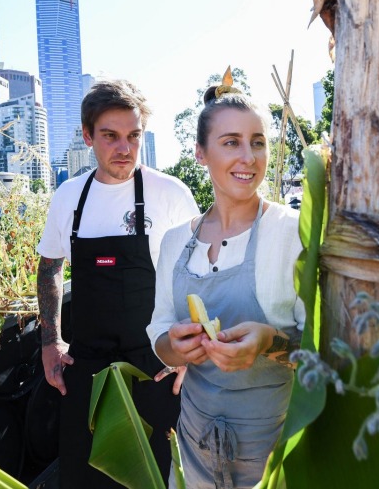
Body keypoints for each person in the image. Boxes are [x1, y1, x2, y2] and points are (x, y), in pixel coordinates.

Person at [36, 79, 199, 488]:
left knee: (160, 477)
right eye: (110, 136)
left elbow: (199, 273)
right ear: (88, 136)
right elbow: (50, 265)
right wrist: (50, 341)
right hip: (86, 368)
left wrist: (189, 353)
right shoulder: (69, 197)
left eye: (133, 136)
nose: (124, 148)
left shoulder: (169, 194)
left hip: (156, 367)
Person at [146, 71, 305, 489]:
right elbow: (160, 331)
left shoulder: (293, 232)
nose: (248, 158)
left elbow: (324, 347)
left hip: (274, 449)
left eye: (258, 142)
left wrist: (270, 342)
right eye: (231, 142)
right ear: (201, 153)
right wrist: (175, 348)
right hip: (194, 444)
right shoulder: (176, 241)